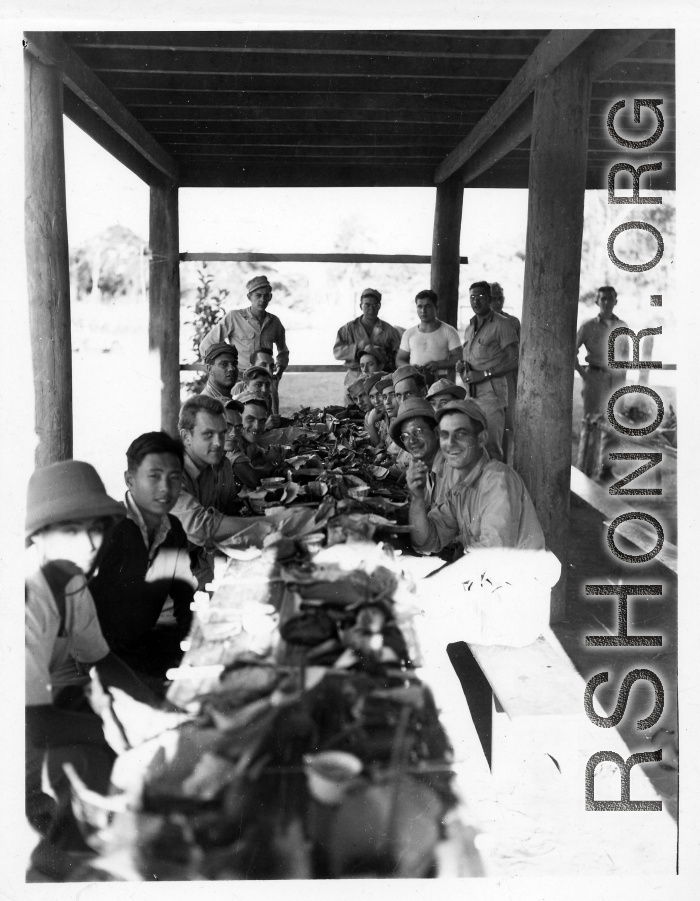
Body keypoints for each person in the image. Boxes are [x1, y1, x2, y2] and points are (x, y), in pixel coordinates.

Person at [25, 461, 164, 878]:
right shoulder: (24, 597)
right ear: (38, 536)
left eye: (96, 528)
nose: (89, 543)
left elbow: (99, 659)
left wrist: (153, 705)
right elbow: (28, 724)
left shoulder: (70, 580)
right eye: (70, 530)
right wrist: (116, 730)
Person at [89, 432, 198, 684]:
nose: (165, 488)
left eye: (174, 477)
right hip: (101, 665)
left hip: (145, 648)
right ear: (130, 480)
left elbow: (183, 599)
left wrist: (193, 646)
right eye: (154, 476)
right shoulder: (108, 532)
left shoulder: (173, 529)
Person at [407, 399, 545, 555]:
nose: (450, 443)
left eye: (460, 434)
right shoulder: (460, 490)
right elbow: (427, 542)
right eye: (445, 435)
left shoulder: (498, 480)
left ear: (481, 439)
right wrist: (417, 498)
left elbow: (492, 555)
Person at [171, 395, 268, 588]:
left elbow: (228, 508)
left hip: (205, 561)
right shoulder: (170, 473)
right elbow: (201, 527)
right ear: (186, 437)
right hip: (170, 583)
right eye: (208, 434)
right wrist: (271, 524)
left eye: (222, 433)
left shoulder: (219, 463)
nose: (219, 442)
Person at [457, 281, 519, 462]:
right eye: (472, 297)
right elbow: (474, 359)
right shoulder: (470, 327)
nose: (476, 301)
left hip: (492, 395)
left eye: (481, 297)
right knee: (472, 445)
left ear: (490, 300)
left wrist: (484, 374)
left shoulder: (503, 324)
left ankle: (498, 487)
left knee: (492, 448)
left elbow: (514, 359)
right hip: (471, 395)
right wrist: (462, 367)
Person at [575, 286, 631, 479]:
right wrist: (584, 375)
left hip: (615, 380)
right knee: (591, 424)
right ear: (597, 301)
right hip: (594, 378)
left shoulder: (622, 325)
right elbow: (572, 352)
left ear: (616, 301)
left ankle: (606, 471)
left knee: (613, 424)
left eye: (610, 299)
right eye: (603, 299)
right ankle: (585, 471)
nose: (606, 302)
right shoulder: (588, 326)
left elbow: (626, 357)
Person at [199, 274, 289, 390]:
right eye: (258, 295)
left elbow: (283, 352)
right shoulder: (234, 317)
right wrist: (221, 370)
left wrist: (278, 374)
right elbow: (206, 345)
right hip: (238, 380)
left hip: (264, 383)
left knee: (266, 408)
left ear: (270, 297)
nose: (262, 300)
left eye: (266, 296)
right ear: (249, 297)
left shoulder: (275, 322)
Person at [333, 287, 402, 401]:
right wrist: (356, 348)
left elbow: (398, 354)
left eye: (375, 305)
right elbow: (337, 352)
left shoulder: (389, 330)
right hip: (355, 376)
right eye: (367, 305)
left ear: (379, 306)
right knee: (352, 411)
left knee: (379, 409)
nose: (371, 308)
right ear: (360, 306)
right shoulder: (348, 329)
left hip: (380, 377)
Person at [388, 397, 457, 507]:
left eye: (418, 431)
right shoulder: (423, 466)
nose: (412, 440)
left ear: (436, 433)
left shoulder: (452, 470)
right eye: (405, 436)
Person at [396, 289, 462, 383]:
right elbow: (399, 359)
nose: (423, 310)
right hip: (415, 381)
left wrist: (439, 364)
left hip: (441, 381)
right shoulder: (409, 333)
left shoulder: (449, 331)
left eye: (428, 306)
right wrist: (411, 369)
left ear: (436, 307)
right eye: (420, 306)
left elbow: (459, 358)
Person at [489, 282, 520, 460]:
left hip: (507, 378)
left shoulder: (513, 322)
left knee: (508, 425)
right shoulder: (479, 322)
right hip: (485, 380)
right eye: (493, 298)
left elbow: (519, 354)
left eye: (500, 297)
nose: (497, 301)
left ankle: (506, 464)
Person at [232, 346, 280, 416]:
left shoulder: (266, 389)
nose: (269, 371)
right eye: (263, 365)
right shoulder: (239, 388)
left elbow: (273, 418)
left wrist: (274, 393)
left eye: (271, 366)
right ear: (251, 367)